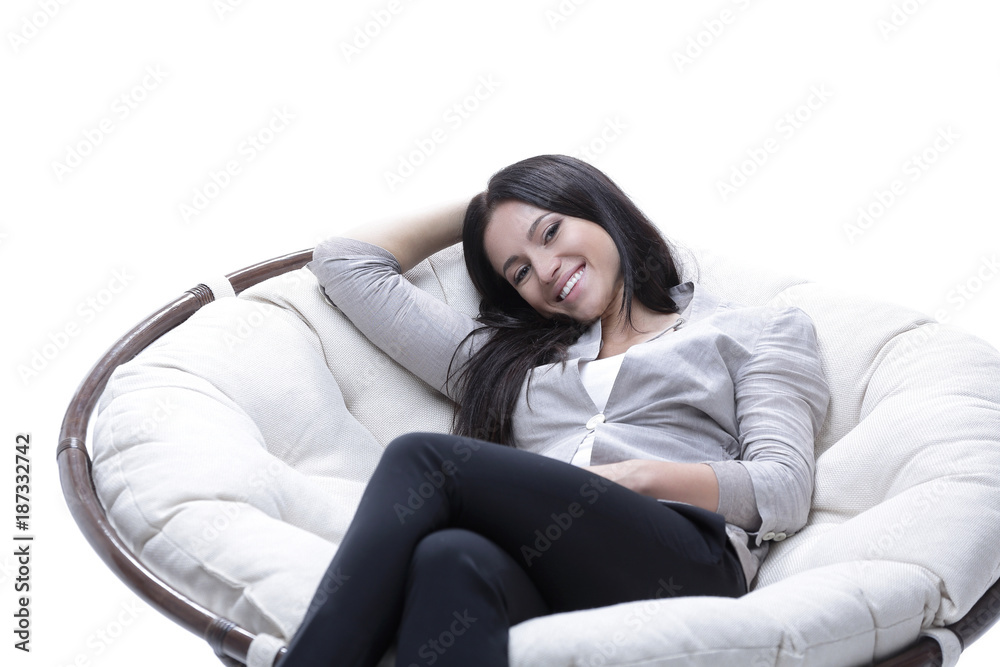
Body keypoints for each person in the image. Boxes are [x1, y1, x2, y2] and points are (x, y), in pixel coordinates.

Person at [277, 154, 830, 666]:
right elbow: (345, 262)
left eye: (550, 232)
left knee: (422, 459)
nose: (543, 270)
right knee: (449, 556)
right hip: (554, 569)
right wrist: (483, 207)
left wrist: (635, 478)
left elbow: (782, 487)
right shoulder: (507, 368)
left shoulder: (754, 330)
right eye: (518, 271)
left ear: (600, 208)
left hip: (687, 560)